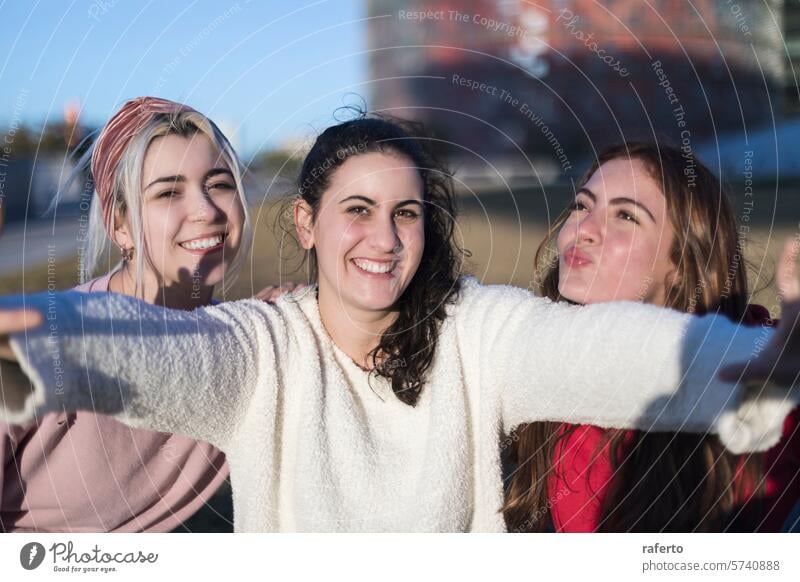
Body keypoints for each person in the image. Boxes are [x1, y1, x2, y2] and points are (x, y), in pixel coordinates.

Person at [0, 114, 798, 532]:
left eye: (406, 213)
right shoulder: (262, 346)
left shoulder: (478, 331)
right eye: (358, 212)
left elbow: (600, 349)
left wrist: (762, 360)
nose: (383, 241)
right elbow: (151, 347)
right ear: (307, 223)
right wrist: (39, 344)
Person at [502, 142, 800, 532]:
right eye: (581, 205)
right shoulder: (526, 355)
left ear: (683, 261)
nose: (584, 229)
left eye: (625, 215)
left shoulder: (760, 377)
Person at [0, 96, 253, 532]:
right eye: (168, 192)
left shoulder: (248, 347)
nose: (207, 211)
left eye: (219, 184)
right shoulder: (42, 339)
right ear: (120, 225)